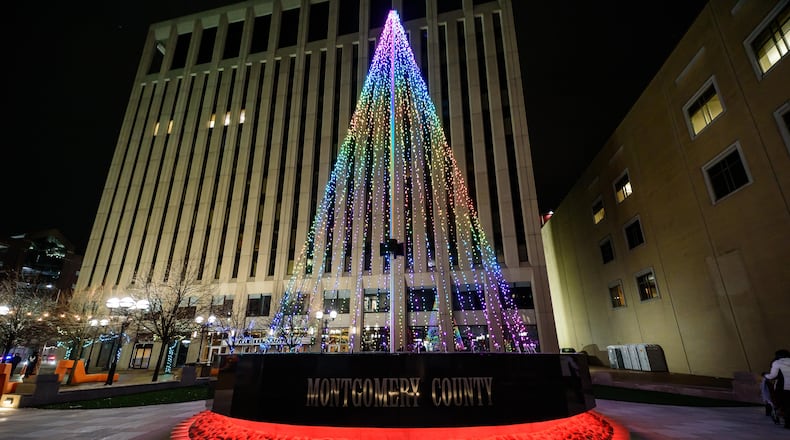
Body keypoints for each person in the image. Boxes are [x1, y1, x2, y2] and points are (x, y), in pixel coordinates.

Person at [764, 349, 790, 429]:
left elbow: (773, 375)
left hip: (783, 387)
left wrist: (765, 375)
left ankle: (787, 423)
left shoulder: (777, 362)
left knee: (784, 404)